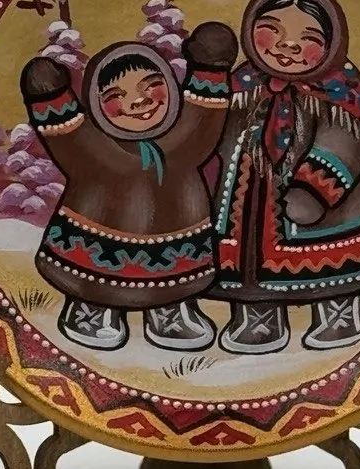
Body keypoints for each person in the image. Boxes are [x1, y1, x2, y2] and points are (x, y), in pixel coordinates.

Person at [20, 23, 237, 352]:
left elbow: (204, 115)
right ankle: (92, 309)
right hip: (96, 246)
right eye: (115, 97)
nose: (138, 101)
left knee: (172, 281)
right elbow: (67, 134)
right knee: (94, 280)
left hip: (178, 243)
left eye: (151, 86)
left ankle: (170, 310)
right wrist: (50, 96)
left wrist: (211, 65)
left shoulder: (183, 142)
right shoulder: (97, 150)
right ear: (95, 104)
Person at [209, 0, 360, 353]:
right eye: (272, 30)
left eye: (307, 38)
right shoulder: (244, 83)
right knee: (249, 267)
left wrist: (314, 188)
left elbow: (344, 143)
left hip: (324, 209)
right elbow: (217, 134)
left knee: (330, 264)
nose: (287, 45)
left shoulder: (341, 91)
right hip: (249, 205)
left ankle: (339, 315)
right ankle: (258, 319)